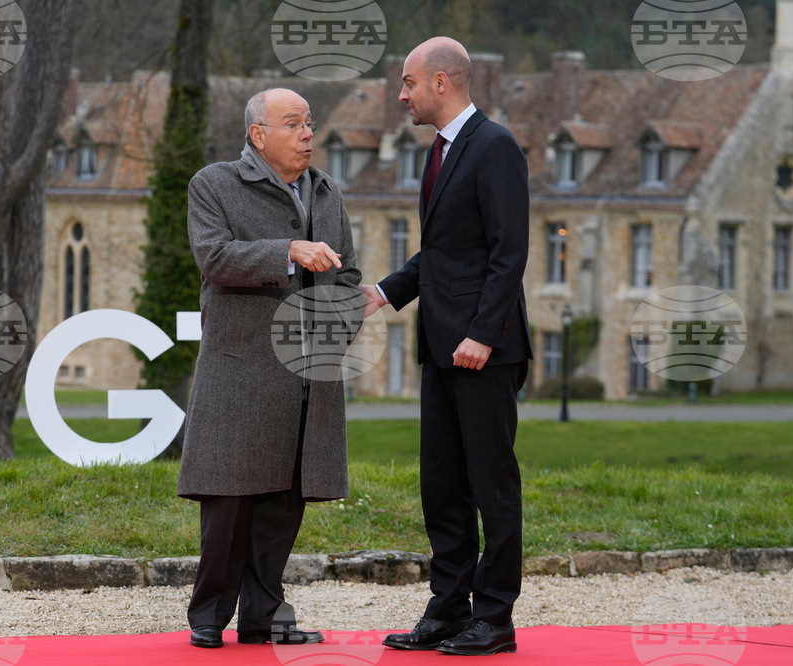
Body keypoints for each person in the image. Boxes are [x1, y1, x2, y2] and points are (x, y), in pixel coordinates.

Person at [362, 37, 532, 656]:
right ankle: (450, 608)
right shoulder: (442, 152)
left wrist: (482, 335)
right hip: (440, 347)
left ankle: (495, 618)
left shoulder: (495, 147)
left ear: (441, 82)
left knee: (492, 485)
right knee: (442, 484)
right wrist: (382, 292)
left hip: (483, 351)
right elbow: (444, 252)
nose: (400, 95)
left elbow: (508, 250)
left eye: (407, 83)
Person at [177, 88, 361, 649]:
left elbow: (349, 276)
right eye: (293, 124)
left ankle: (263, 615)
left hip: (307, 377)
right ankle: (208, 615)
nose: (308, 134)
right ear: (259, 135)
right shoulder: (213, 185)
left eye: (309, 123)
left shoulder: (327, 193)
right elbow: (214, 257)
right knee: (229, 504)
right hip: (240, 373)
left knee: (285, 502)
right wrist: (289, 251)